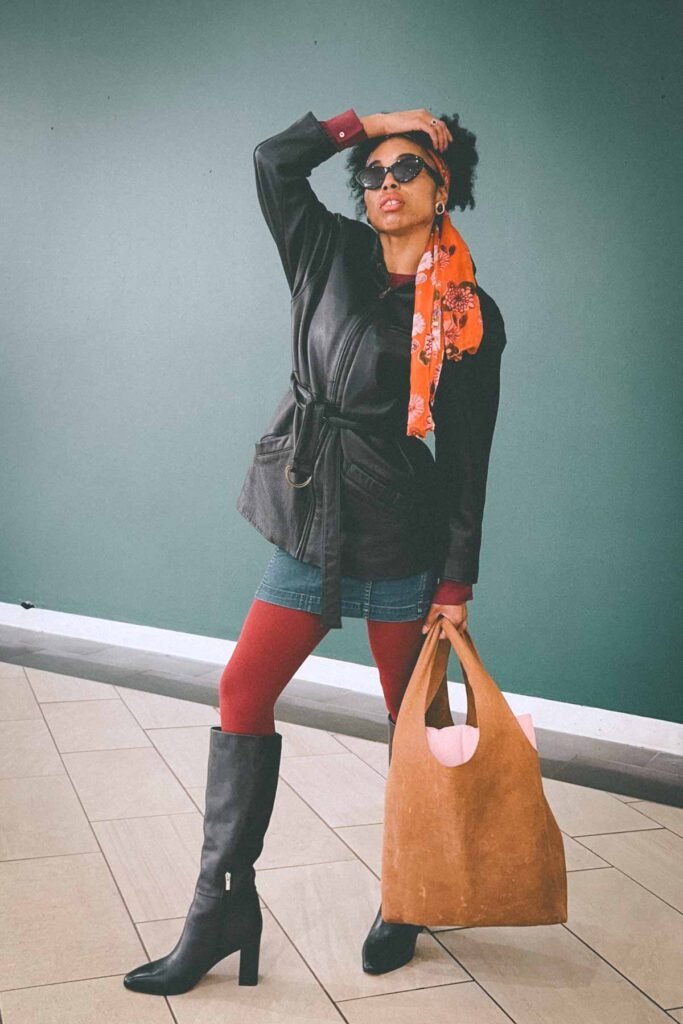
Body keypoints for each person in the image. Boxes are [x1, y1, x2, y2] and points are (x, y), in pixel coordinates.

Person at [122, 107, 507, 997]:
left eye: (404, 168)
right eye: (370, 172)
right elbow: (271, 159)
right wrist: (366, 122)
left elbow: (467, 454)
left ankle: (410, 894)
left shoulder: (466, 311)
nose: (383, 185)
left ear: (443, 184)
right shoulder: (323, 249)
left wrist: (456, 578)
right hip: (309, 513)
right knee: (241, 692)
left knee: (414, 726)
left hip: (399, 531)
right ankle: (221, 908)